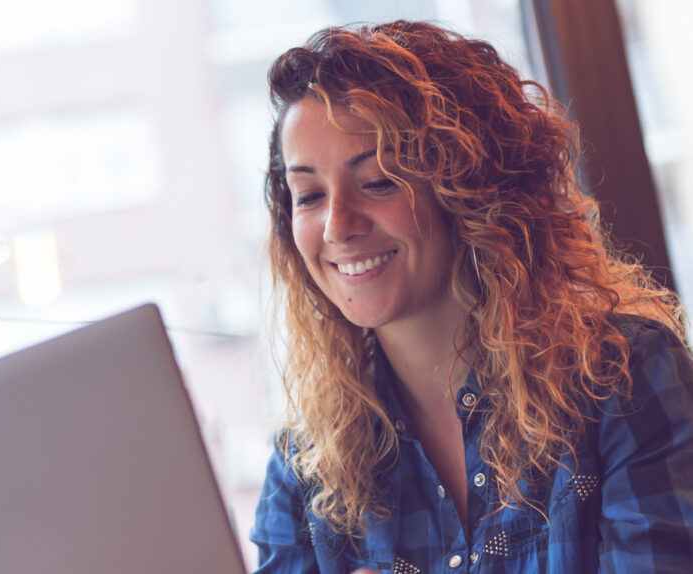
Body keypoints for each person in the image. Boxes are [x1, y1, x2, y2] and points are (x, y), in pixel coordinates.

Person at [250, 20, 693, 573]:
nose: (338, 225)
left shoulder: (620, 377)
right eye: (310, 195)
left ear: (469, 188)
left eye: (381, 180)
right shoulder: (304, 466)